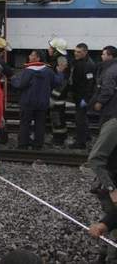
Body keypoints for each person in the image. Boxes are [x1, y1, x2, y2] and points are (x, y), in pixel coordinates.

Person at [12, 50, 64, 150]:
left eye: (32, 55)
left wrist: (14, 78)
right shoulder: (48, 71)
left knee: (25, 123)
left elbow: (20, 84)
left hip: (28, 102)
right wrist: (60, 73)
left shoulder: (28, 71)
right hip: (42, 102)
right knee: (40, 124)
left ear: (38, 58)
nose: (29, 56)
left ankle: (23, 144)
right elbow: (57, 82)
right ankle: (38, 144)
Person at [88, 116, 117, 262]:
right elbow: (95, 159)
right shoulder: (114, 126)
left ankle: (104, 256)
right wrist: (112, 188)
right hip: (112, 187)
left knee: (110, 226)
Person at [69, 43, 96, 148]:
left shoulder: (89, 65)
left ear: (85, 52)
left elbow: (90, 84)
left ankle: (80, 143)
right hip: (78, 95)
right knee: (82, 117)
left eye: (79, 52)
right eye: (75, 51)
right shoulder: (78, 61)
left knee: (79, 119)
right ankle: (86, 136)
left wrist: (85, 98)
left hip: (83, 96)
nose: (76, 53)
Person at [47, 37, 70, 146]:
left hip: (57, 97)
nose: (48, 49)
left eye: (51, 47)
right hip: (57, 95)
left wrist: (53, 97)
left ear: (56, 50)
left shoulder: (61, 61)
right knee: (57, 116)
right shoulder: (58, 60)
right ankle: (61, 136)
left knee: (57, 117)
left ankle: (58, 139)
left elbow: (62, 83)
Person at [92, 46, 117, 125]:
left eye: (103, 54)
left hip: (110, 105)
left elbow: (107, 90)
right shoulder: (114, 67)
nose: (101, 56)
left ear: (110, 56)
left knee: (106, 126)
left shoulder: (109, 71)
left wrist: (100, 102)